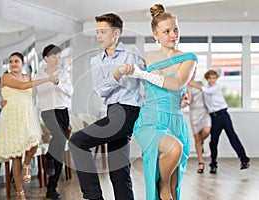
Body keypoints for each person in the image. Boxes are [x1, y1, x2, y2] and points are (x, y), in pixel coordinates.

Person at [68, 13, 145, 200]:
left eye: (103, 31)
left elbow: (148, 78)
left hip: (128, 111)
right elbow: (100, 91)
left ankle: (93, 197)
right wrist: (117, 74)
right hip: (113, 111)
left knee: (77, 142)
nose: (99, 36)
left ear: (116, 33)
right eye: (97, 32)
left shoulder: (132, 53)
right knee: (119, 170)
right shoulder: (96, 61)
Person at [129, 4, 197, 200]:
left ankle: (167, 187)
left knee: (176, 187)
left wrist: (184, 101)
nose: (173, 34)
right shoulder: (146, 58)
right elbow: (138, 90)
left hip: (175, 120)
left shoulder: (189, 58)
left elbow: (177, 84)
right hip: (151, 119)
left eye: (175, 29)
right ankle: (162, 184)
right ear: (155, 35)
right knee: (174, 150)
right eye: (166, 31)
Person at [0, 52, 58, 200]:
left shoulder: (27, 77)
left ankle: (26, 164)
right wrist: (48, 79)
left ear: (23, 63)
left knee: (34, 143)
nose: (13, 64)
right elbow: (23, 87)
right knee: (16, 154)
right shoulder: (6, 77)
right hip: (12, 117)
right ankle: (20, 193)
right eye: (10, 61)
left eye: (16, 61)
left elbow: (32, 92)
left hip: (26, 116)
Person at [188, 69, 250, 174]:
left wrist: (191, 83)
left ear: (216, 79)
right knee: (214, 141)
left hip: (223, 115)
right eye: (209, 78)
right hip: (214, 117)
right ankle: (213, 165)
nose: (212, 80)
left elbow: (205, 91)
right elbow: (201, 98)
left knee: (232, 136)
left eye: (214, 78)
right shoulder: (205, 88)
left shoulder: (215, 88)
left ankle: (244, 159)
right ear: (207, 79)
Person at [34, 44, 73, 200]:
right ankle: (49, 158)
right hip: (48, 112)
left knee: (59, 148)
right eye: (54, 57)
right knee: (59, 138)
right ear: (46, 58)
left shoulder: (63, 73)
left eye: (59, 57)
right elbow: (32, 95)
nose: (57, 60)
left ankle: (52, 188)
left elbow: (70, 92)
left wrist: (58, 83)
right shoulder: (38, 75)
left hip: (62, 111)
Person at [187, 70, 211, 173]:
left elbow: (206, 94)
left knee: (206, 131)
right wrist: (188, 87)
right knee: (197, 138)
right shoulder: (185, 85)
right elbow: (189, 102)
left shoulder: (200, 83)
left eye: (193, 73)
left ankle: (200, 143)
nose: (192, 75)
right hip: (194, 112)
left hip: (204, 111)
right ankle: (200, 163)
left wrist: (194, 85)